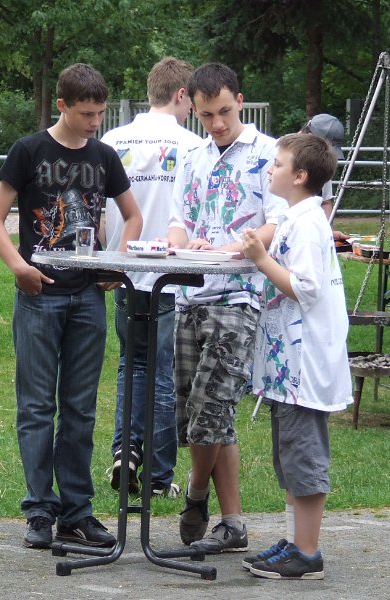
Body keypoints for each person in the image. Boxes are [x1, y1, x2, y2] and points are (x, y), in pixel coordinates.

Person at [0, 63, 142, 550]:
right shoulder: (29, 150)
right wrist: (19, 267)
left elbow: (132, 216)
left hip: (88, 297)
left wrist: (116, 262)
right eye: (86, 113)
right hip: (40, 296)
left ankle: (77, 511)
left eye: (100, 113)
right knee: (36, 407)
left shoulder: (105, 156)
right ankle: (39, 509)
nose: (95, 122)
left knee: (80, 408)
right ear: (62, 106)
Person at [166, 62, 288, 554]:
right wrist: (181, 244)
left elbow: (278, 222)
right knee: (199, 414)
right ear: (192, 108)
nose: (216, 123)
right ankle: (233, 523)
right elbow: (178, 221)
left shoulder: (270, 153)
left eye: (223, 112)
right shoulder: (192, 157)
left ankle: (196, 494)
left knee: (211, 406)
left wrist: (238, 246)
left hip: (241, 295)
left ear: (240, 100)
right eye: (205, 115)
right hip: (189, 293)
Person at [239, 132, 353, 579]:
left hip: (304, 369)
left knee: (304, 459)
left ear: (300, 175)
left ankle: (307, 553)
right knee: (288, 458)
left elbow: (305, 288)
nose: (270, 169)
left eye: (278, 164)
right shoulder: (297, 217)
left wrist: (260, 258)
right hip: (288, 366)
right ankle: (293, 542)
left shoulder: (307, 224)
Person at [101, 57, 203, 499]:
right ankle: (159, 476)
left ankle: (125, 451)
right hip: (169, 276)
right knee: (162, 371)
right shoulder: (193, 146)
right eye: (191, 101)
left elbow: (100, 212)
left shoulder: (113, 140)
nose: (192, 110)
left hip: (122, 271)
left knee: (131, 362)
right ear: (181, 95)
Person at [302, 113, 349, 241]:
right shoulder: (282, 153)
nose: (324, 155)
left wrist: (329, 234)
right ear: (309, 135)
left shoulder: (321, 162)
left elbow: (325, 201)